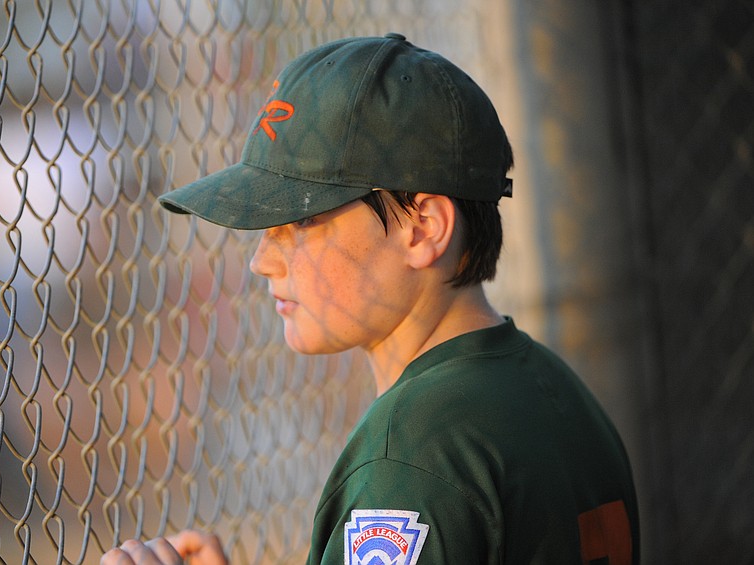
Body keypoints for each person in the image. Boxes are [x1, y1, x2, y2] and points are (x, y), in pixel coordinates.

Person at [101, 33, 640, 565]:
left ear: (423, 228)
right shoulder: (551, 387)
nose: (261, 260)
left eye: (302, 219)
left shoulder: (412, 452)